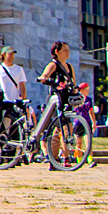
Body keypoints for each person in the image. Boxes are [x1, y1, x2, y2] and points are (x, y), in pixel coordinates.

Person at [37, 40, 77, 171]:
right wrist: (45, 79)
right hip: (56, 99)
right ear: (57, 52)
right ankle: (54, 159)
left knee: (68, 128)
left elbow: (74, 84)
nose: (68, 52)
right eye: (65, 50)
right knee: (58, 129)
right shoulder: (53, 65)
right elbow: (44, 75)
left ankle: (66, 157)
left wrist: (76, 94)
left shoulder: (69, 67)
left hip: (66, 99)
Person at [0, 47, 28, 131]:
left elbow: (22, 86)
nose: (11, 56)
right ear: (4, 55)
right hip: (2, 101)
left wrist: (24, 99)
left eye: (13, 54)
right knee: (1, 125)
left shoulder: (19, 69)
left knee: (15, 126)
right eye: (9, 54)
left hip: (14, 101)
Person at [73, 82, 98, 167]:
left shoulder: (89, 100)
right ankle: (79, 160)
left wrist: (94, 123)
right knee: (78, 143)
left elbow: (91, 111)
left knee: (88, 142)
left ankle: (90, 159)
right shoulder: (77, 98)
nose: (87, 91)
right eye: (86, 90)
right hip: (78, 122)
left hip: (87, 121)